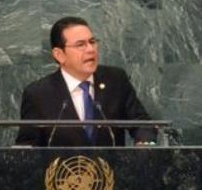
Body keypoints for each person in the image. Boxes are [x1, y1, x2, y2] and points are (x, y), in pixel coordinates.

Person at [15, 17, 157, 147]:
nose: (90, 50)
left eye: (92, 42)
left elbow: (141, 123)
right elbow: (27, 148)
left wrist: (144, 142)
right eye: (80, 45)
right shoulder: (38, 94)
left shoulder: (116, 80)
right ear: (60, 55)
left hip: (111, 172)